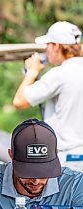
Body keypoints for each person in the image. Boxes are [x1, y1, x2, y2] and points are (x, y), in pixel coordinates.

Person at [13, 21, 83, 165]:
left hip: (67, 158)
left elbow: (19, 101)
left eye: (48, 45)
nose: (46, 50)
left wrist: (31, 72)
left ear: (56, 46)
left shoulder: (60, 74)